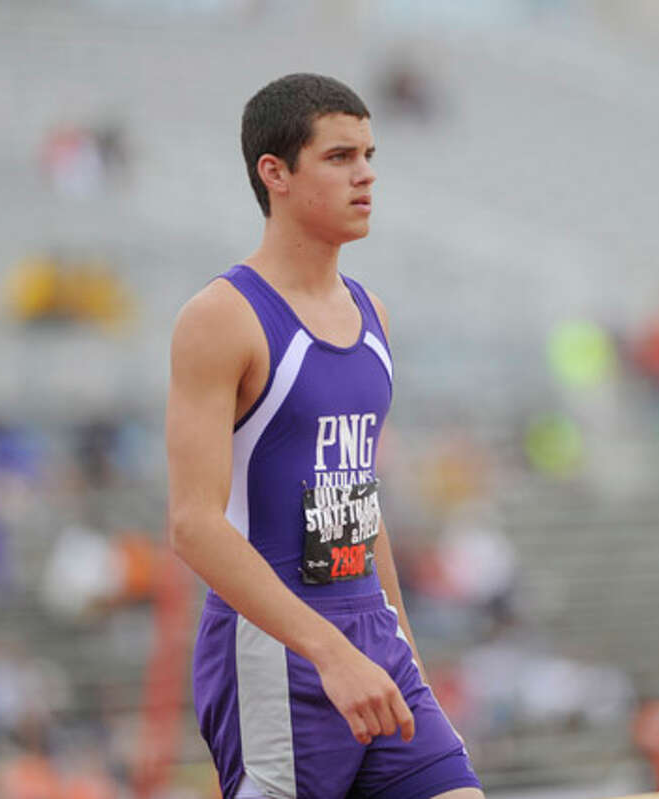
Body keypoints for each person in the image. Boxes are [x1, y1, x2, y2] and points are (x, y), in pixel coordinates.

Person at [165, 73, 483, 799]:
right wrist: (327, 651)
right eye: (340, 157)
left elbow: (356, 505)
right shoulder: (222, 317)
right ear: (273, 173)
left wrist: (401, 647)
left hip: (372, 639)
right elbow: (192, 525)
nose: (366, 174)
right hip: (274, 651)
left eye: (370, 154)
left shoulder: (373, 313)